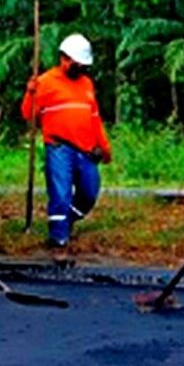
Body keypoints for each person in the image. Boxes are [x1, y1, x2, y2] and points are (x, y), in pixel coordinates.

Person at [20, 33, 112, 249]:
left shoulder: (87, 84)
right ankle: (58, 238)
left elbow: (94, 118)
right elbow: (28, 115)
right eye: (77, 63)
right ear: (64, 59)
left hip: (87, 149)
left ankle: (66, 220)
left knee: (89, 193)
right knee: (60, 194)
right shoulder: (45, 82)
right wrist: (30, 93)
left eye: (83, 64)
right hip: (59, 147)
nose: (80, 68)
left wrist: (104, 147)